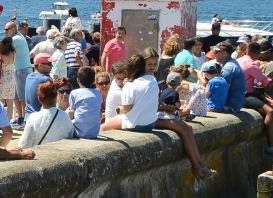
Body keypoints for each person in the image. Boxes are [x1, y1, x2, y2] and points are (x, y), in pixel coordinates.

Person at [102, 52, 214, 181]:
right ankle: (198, 166)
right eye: (149, 64)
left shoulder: (137, 82)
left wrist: (163, 107)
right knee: (185, 128)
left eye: (154, 64)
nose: (152, 67)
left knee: (102, 128)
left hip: (136, 119)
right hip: (142, 118)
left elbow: (130, 108)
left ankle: (199, 166)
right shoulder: (146, 81)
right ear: (141, 65)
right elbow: (132, 107)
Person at [19, 79, 75, 148]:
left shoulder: (32, 118)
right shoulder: (66, 117)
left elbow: (23, 145)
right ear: (56, 97)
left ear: (39, 99)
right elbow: (71, 136)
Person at [68, 66, 103, 139]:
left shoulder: (74, 93)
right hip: (94, 133)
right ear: (93, 81)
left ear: (78, 80)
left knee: (68, 112)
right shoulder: (98, 93)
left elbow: (71, 112)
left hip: (78, 133)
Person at [213, 42, 247, 114]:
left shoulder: (228, 68)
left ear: (224, 53)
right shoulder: (232, 62)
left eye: (216, 52)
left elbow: (219, 90)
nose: (214, 54)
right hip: (235, 104)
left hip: (230, 106)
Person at [10, 21, 33, 128]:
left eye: (7, 30)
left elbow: (1, 51)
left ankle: (25, 120)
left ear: (15, 29)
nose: (5, 32)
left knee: (22, 97)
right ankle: (20, 118)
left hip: (22, 70)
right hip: (17, 69)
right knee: (15, 96)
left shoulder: (16, 39)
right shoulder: (19, 37)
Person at [0, 36, 18, 120]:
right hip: (11, 79)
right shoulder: (14, 53)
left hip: (1, 78)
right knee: (9, 103)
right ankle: (8, 122)